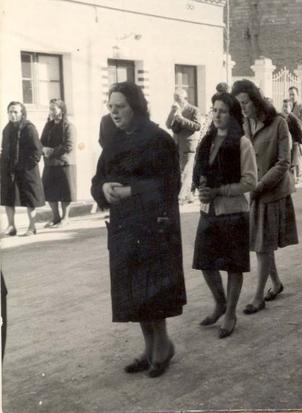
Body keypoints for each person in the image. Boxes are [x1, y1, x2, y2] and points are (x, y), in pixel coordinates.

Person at [91, 82, 186, 378]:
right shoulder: (114, 143)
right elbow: (97, 181)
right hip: (124, 226)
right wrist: (104, 188)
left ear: (136, 106)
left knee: (153, 291)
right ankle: (150, 349)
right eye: (111, 107)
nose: (114, 112)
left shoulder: (159, 140)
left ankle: (163, 346)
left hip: (154, 226)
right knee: (135, 293)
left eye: (120, 106)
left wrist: (131, 190)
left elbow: (171, 185)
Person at [192, 92, 256, 339]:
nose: (217, 115)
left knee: (232, 265)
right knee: (205, 262)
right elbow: (200, 173)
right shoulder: (206, 140)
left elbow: (250, 181)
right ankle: (220, 303)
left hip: (233, 213)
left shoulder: (242, 143)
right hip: (208, 211)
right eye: (214, 110)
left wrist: (220, 190)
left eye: (223, 111)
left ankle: (230, 312)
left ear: (232, 115)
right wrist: (202, 188)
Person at [231, 79, 299, 315]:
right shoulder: (243, 122)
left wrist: (259, 185)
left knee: (263, 245)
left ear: (255, 99)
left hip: (272, 192)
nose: (242, 108)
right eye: (239, 104)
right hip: (253, 191)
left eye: (245, 103)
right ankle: (276, 283)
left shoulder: (279, 122)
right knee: (263, 243)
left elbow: (284, 162)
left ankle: (258, 297)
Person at [1, 101, 45, 237]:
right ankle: (11, 226)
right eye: (10, 112)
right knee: (8, 197)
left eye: (15, 112)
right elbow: (4, 149)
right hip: (10, 169)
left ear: (22, 113)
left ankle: (32, 227)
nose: (12, 115)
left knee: (29, 198)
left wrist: (27, 166)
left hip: (27, 169)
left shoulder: (29, 128)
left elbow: (37, 150)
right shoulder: (7, 129)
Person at [40, 99, 77, 228]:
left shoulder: (68, 126)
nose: (51, 112)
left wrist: (53, 152)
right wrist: (43, 149)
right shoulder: (48, 125)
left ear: (61, 110)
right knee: (50, 191)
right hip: (49, 164)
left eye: (53, 109)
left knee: (65, 192)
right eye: (49, 109)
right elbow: (41, 141)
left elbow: (69, 145)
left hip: (64, 163)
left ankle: (65, 218)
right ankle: (55, 217)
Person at [165, 88, 201, 204]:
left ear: (185, 99)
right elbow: (168, 125)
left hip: (188, 145)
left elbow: (197, 126)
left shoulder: (194, 110)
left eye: (179, 99)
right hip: (176, 144)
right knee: (178, 170)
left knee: (186, 171)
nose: (177, 101)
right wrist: (172, 112)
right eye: (175, 99)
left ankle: (180, 197)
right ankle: (189, 195)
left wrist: (182, 119)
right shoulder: (175, 109)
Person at [285, 87, 302, 182]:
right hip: (288, 137)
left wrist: (290, 114)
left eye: (293, 94)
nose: (291, 97)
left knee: (297, 158)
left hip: (297, 137)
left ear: (297, 95)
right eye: (290, 94)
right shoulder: (287, 106)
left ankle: (298, 177)